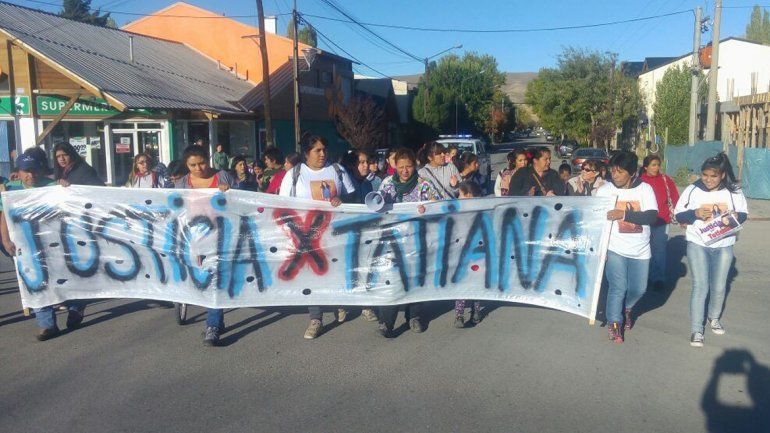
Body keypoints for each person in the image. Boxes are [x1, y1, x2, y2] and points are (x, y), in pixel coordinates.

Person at [279, 135, 356, 339]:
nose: (322, 154)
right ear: (307, 153)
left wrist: (342, 200)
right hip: (306, 237)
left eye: (324, 149)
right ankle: (316, 318)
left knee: (335, 271)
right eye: (317, 150)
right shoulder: (294, 175)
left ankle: (339, 303)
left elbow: (353, 198)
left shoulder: (338, 171)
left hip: (336, 234)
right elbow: (282, 205)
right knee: (312, 276)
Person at [674, 153, 748, 348]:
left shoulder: (734, 191)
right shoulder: (692, 190)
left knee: (719, 286)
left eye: (713, 176)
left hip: (724, 245)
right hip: (698, 244)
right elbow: (678, 214)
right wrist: (695, 213)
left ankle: (713, 318)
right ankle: (697, 329)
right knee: (700, 286)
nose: (708, 179)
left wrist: (731, 218)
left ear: (722, 175)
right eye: (704, 175)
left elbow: (743, 214)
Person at [0, 149, 67, 341]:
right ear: (19, 172)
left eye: (34, 170)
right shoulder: (11, 191)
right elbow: (4, 217)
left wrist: (65, 186)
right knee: (34, 281)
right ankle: (46, 324)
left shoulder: (52, 185)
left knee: (63, 278)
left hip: (55, 243)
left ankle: (76, 306)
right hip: (27, 246)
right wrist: (5, 240)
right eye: (26, 171)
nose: (31, 175)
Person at [173, 146, 234, 346]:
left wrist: (231, 192)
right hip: (194, 239)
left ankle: (213, 324)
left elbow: (243, 201)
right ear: (186, 166)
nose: (199, 168)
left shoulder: (223, 176)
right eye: (193, 165)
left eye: (202, 163)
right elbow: (174, 209)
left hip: (222, 236)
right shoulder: (182, 183)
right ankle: (215, 319)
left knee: (215, 279)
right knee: (203, 279)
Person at [597, 151, 658, 344]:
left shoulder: (645, 189)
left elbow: (651, 216)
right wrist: (599, 248)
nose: (614, 175)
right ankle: (614, 323)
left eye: (620, 171)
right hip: (614, 247)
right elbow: (595, 221)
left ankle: (627, 309)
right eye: (612, 170)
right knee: (618, 287)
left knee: (639, 289)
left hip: (640, 249)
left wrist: (623, 214)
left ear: (632, 173)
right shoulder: (604, 190)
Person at [376, 147, 439, 337]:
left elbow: (440, 206)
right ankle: (386, 321)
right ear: (395, 167)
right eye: (401, 167)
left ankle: (415, 317)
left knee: (415, 278)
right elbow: (376, 206)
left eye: (409, 166)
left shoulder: (424, 185)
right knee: (392, 279)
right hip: (392, 240)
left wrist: (428, 208)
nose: (405, 171)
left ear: (415, 166)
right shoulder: (387, 184)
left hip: (417, 240)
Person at [339, 150, 379, 323]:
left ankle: (366, 305)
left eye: (367, 162)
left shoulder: (369, 184)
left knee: (365, 268)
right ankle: (341, 305)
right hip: (346, 235)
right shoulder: (344, 184)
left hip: (366, 234)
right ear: (351, 165)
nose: (366, 165)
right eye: (361, 162)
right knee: (344, 269)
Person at [640, 155, 680, 291]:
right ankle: (644, 278)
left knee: (660, 250)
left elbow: (674, 196)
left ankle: (658, 278)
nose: (656, 168)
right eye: (653, 165)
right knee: (644, 249)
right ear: (646, 167)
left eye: (658, 165)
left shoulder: (665, 179)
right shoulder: (640, 181)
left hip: (662, 220)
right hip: (644, 221)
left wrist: (677, 213)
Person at [453, 180, 484, 328]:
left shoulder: (483, 210)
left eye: (460, 195)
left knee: (476, 281)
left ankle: (476, 310)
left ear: (469, 195)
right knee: (462, 281)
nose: (458, 198)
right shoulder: (458, 210)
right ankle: (459, 314)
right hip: (462, 252)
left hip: (478, 252)